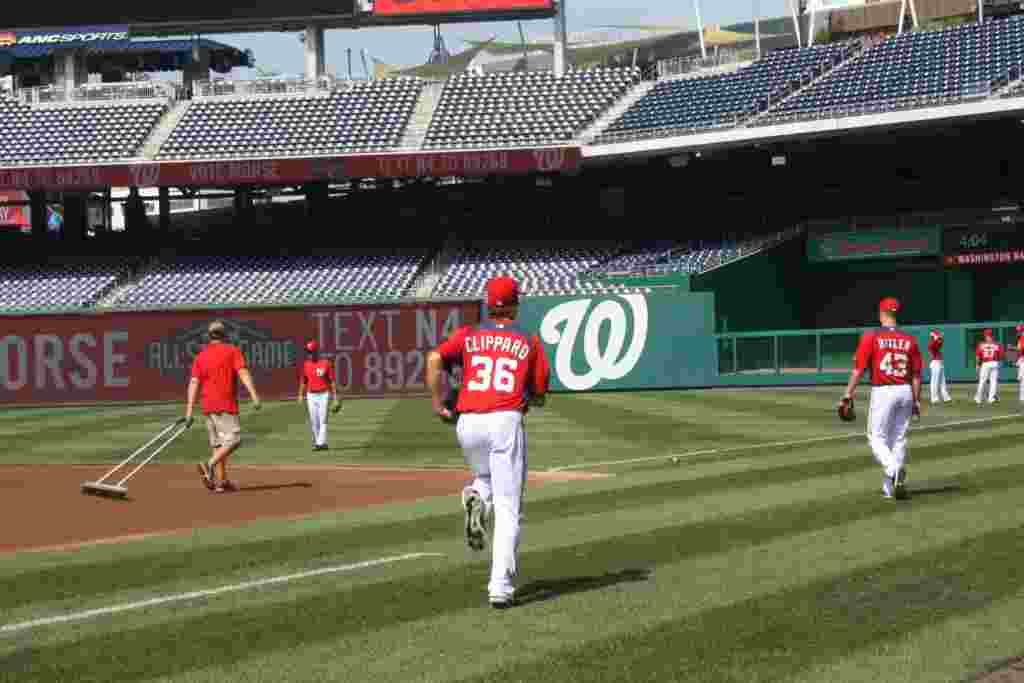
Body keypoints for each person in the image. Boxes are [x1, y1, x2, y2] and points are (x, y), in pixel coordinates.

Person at [426, 276, 550, 609]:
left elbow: (434, 359)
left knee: (486, 479)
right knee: (509, 509)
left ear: (487, 303)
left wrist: (439, 403)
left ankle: (477, 496)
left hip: (468, 422)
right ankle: (500, 586)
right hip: (503, 420)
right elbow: (539, 395)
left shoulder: (469, 335)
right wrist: (531, 398)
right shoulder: (528, 340)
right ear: (514, 304)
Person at [839, 297, 922, 500]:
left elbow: (858, 369)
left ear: (881, 314)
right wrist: (916, 400)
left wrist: (847, 393)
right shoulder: (910, 340)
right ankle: (891, 484)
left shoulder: (872, 336)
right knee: (898, 438)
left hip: (884, 390)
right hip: (905, 390)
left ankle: (894, 471)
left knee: (876, 438)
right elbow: (917, 375)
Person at [186, 320, 261, 493]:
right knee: (234, 439)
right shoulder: (232, 351)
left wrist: (189, 412)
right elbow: (243, 372)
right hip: (225, 404)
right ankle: (208, 465)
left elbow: (193, 383)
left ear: (209, 336)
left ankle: (221, 482)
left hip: (208, 406)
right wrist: (254, 395)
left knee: (218, 446)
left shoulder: (201, 356)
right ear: (225, 335)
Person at [298, 339, 340, 451]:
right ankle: (320, 443)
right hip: (311, 395)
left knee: (323, 419)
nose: (309, 354)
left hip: (324, 394)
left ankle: (320, 443)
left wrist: (335, 398)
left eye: (311, 352)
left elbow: (332, 381)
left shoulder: (325, 363)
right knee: (314, 421)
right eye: (308, 352)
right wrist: (300, 395)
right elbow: (303, 381)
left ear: (316, 351)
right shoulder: (306, 364)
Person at [974, 328, 1004, 404]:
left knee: (982, 381)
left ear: (985, 336)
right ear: (992, 335)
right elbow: (1001, 356)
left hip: (986, 363)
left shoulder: (981, 344)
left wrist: (977, 365)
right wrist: (999, 362)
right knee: (993, 381)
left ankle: (978, 398)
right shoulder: (997, 344)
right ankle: (991, 398)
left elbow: (978, 356)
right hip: (994, 363)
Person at [927, 329, 952, 404]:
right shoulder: (931, 343)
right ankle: (934, 398)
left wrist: (938, 337)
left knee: (942, 382)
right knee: (934, 382)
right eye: (937, 335)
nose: (939, 337)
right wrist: (936, 337)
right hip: (935, 363)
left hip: (939, 363)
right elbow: (933, 345)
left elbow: (941, 342)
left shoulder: (937, 342)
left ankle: (946, 398)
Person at [1017, 324, 1024, 403]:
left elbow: (1021, 348)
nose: (1018, 332)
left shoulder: (1022, 338)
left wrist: (1012, 348)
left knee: (1022, 379)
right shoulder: (1021, 338)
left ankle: (1022, 397)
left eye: (1019, 330)